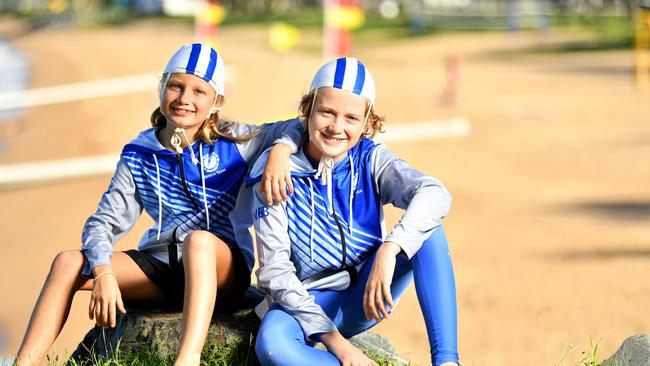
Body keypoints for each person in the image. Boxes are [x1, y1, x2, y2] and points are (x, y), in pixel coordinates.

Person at [15, 43, 302, 366]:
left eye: (199, 91)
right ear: (162, 88)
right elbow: (102, 222)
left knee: (199, 241)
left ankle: (187, 359)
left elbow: (298, 125)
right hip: (163, 267)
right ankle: (24, 363)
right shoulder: (140, 152)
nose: (184, 99)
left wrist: (279, 151)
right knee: (66, 262)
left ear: (216, 102)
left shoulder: (235, 141)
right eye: (176, 86)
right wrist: (104, 272)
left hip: (223, 268)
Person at [249, 57, 459, 366]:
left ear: (367, 124)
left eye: (351, 118)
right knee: (272, 347)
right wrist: (337, 344)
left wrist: (390, 248)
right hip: (303, 300)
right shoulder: (276, 170)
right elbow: (275, 271)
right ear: (307, 111)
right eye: (327, 112)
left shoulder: (370, 159)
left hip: (363, 297)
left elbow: (435, 193)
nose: (336, 127)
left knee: (429, 232)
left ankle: (447, 361)